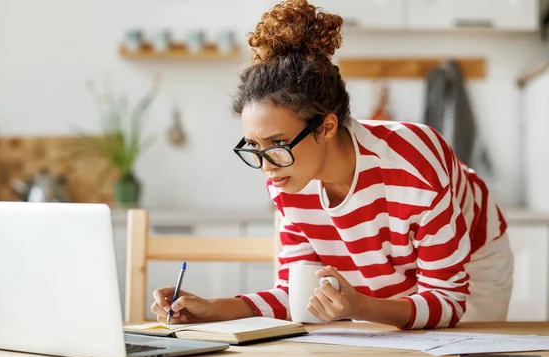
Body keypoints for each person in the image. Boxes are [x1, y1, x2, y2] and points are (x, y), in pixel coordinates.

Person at [151, 0, 514, 329]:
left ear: (326, 127)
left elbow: (447, 301)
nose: (266, 167)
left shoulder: (414, 162)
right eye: (255, 148)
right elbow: (296, 295)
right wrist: (213, 308)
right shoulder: (286, 179)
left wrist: (362, 306)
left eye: (277, 144)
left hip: (470, 265)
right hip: (377, 285)